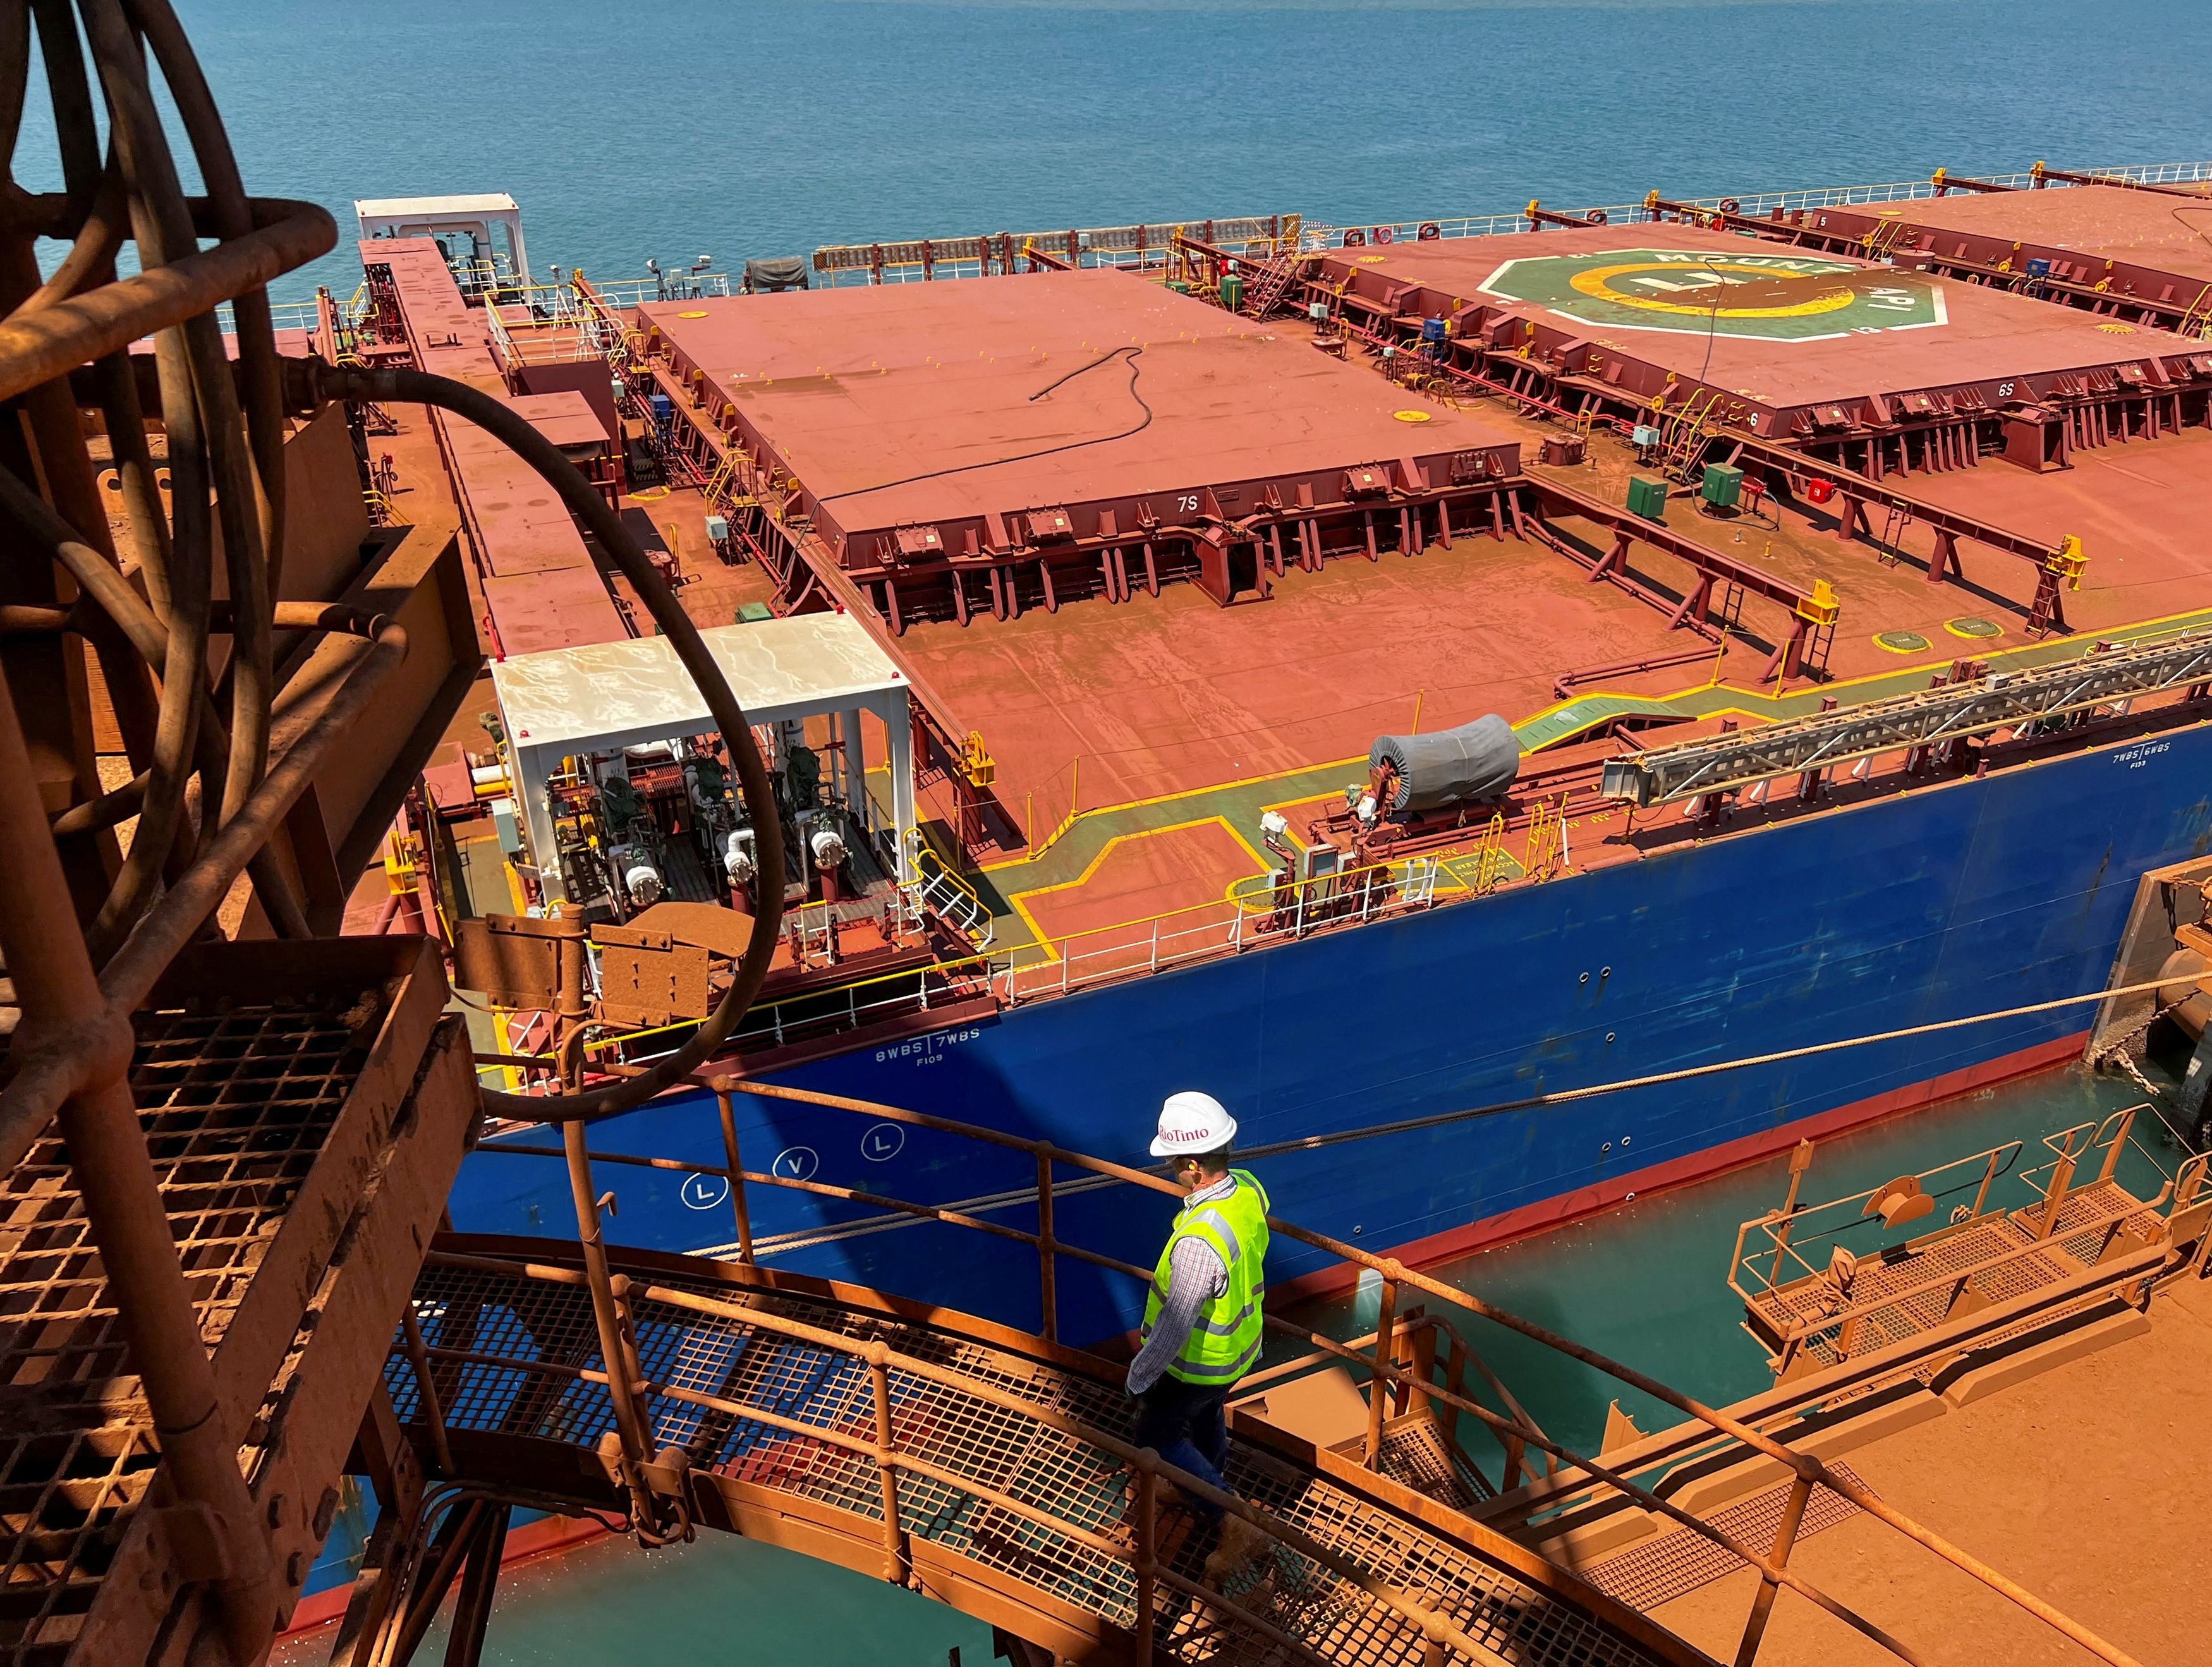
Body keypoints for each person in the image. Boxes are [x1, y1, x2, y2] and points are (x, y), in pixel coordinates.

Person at [1127, 1090, 1272, 1577]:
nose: (1171, 1170)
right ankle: (1203, 1481)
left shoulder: (1198, 1240)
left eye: (1173, 1163)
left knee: (1156, 1434)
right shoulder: (1247, 1190)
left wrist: (1140, 1375)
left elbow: (1175, 1322)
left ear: (1193, 1164)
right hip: (1238, 1350)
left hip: (1196, 1362)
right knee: (1208, 1414)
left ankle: (1229, 1517)